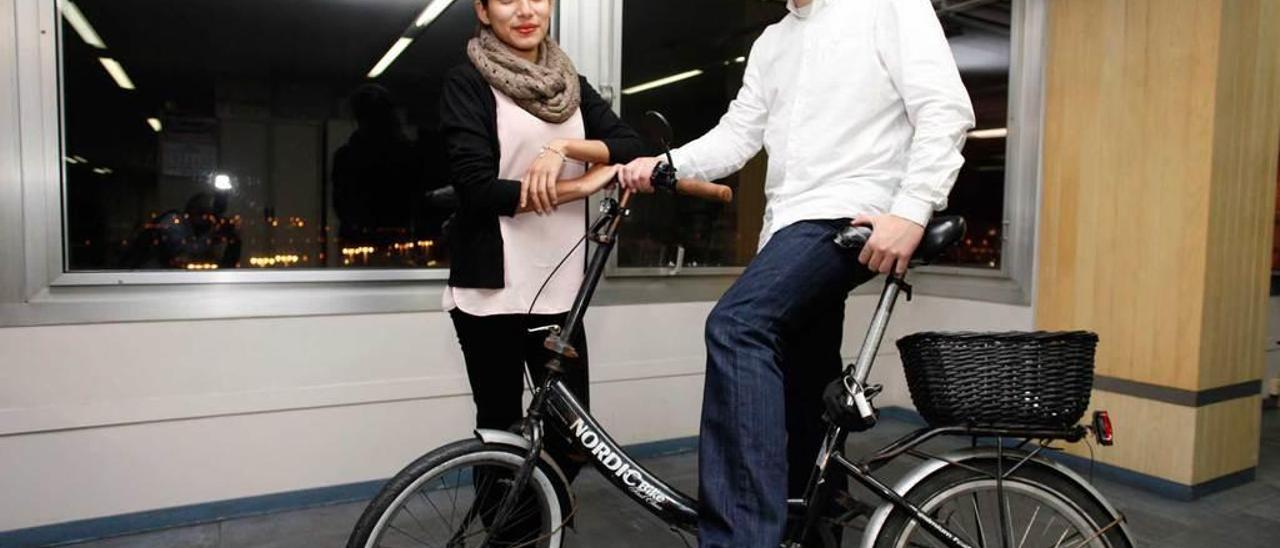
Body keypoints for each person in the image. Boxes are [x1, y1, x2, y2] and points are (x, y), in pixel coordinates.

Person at [619, 0, 975, 544]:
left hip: (851, 215)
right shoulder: (772, 42)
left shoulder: (887, 7)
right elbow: (739, 134)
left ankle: (743, 536)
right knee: (801, 386)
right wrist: (668, 166)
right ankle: (813, 524)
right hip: (789, 231)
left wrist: (911, 208)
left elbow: (945, 108)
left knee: (737, 326)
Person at [438, 0, 646, 538]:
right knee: (501, 431)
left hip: (559, 287)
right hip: (492, 291)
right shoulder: (468, 82)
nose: (526, 10)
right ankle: (511, 538)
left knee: (573, 435)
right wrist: (580, 184)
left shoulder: (569, 84)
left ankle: (540, 524)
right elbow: (477, 188)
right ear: (484, 12)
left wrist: (565, 147)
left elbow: (627, 144)